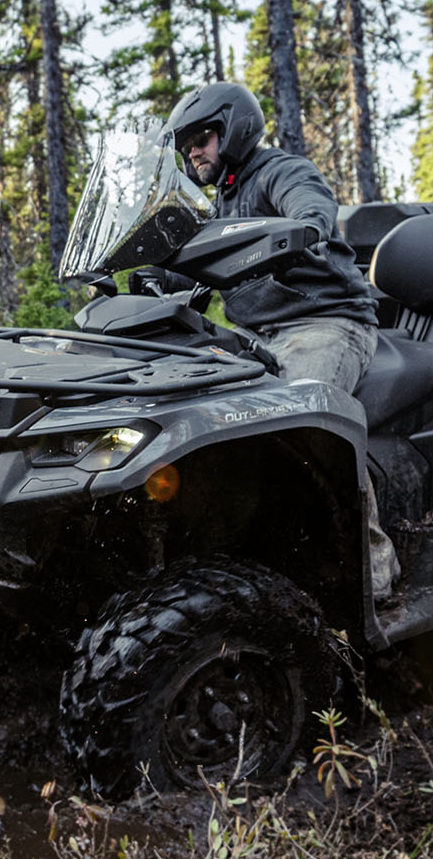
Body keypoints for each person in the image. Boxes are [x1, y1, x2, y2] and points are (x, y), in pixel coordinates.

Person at [165, 81, 399, 598]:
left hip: (326, 322)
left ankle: (374, 572)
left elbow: (310, 206)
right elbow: (202, 257)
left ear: (233, 130)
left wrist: (304, 226)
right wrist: (156, 274)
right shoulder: (222, 200)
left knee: (309, 424)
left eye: (201, 139)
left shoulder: (280, 171)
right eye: (187, 146)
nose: (194, 152)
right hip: (259, 334)